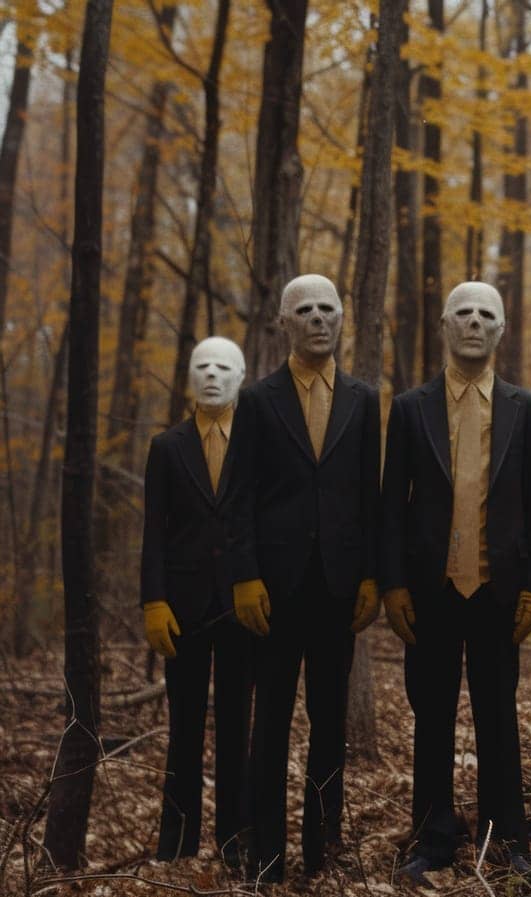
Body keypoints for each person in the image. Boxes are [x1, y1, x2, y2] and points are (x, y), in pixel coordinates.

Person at [381, 282, 531, 883]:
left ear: (502, 329)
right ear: (445, 326)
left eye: (487, 315)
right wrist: (393, 585)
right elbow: (391, 507)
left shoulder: (525, 408)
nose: (475, 322)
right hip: (431, 593)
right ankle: (433, 839)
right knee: (432, 716)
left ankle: (509, 841)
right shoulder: (409, 408)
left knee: (499, 716)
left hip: (499, 592)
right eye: (464, 314)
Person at [228, 274, 381, 882]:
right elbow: (236, 498)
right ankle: (265, 856)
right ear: (284, 323)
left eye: (328, 308)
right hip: (273, 590)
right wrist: (243, 577)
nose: (319, 318)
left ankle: (322, 852)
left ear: (342, 318)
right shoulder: (257, 401)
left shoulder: (364, 401)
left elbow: (370, 495)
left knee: (329, 722)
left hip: (337, 589)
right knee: (269, 725)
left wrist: (371, 574)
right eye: (305, 310)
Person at [140, 336, 253, 871]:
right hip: (182, 607)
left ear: (241, 376)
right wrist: (153, 600)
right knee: (183, 729)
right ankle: (176, 843)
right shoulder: (167, 447)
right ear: (189, 376)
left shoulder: (257, 445)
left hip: (240, 607)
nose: (212, 374)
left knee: (236, 726)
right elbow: (153, 533)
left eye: (223, 366)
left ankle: (234, 842)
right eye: (202, 366)